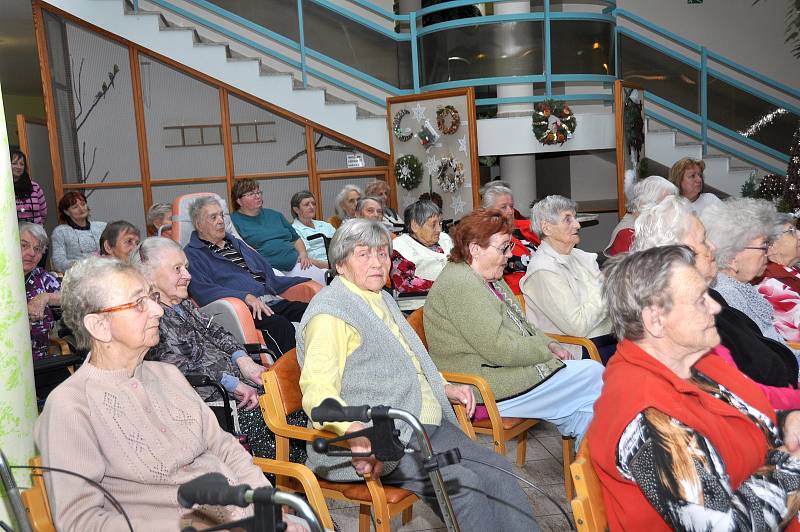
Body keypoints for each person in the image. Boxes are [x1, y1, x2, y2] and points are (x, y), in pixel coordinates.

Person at [297, 218, 540, 532]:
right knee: (461, 485)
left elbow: (412, 359)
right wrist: (355, 429)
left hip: (422, 421)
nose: (376, 263)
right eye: (363, 254)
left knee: (497, 469)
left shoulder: (380, 298)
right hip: (379, 437)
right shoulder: (330, 315)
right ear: (340, 264)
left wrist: (444, 387)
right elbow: (317, 391)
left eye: (382, 254)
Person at [34, 256, 305, 532]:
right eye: (138, 303)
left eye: (152, 297)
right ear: (99, 326)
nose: (157, 310)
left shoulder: (167, 375)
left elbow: (227, 449)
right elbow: (82, 523)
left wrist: (268, 508)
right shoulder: (71, 407)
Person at [589, 245, 800, 530]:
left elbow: (745, 414)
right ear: (656, 320)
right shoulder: (648, 420)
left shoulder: (694, 360)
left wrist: (788, 419)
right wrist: (792, 463)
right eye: (701, 300)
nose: (715, 307)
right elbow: (723, 527)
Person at [425, 209, 604, 446]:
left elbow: (523, 324)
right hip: (482, 387)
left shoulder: (486, 276)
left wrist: (549, 342)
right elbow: (500, 348)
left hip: (498, 371)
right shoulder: (461, 285)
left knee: (586, 411)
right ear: (475, 249)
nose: (510, 255)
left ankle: (590, 475)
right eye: (503, 248)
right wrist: (545, 351)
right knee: (594, 374)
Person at [135, 237, 308, 463]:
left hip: (237, 389)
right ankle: (292, 478)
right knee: (286, 417)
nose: (188, 276)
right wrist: (233, 384)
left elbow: (218, 332)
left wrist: (243, 360)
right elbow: (176, 371)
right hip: (212, 404)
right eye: (177, 269)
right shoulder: (149, 319)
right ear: (148, 275)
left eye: (186, 268)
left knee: (298, 396)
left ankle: (307, 475)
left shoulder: (181, 304)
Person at [634, 196, 800, 409]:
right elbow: (740, 395)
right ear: (679, 256)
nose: (713, 247)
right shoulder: (686, 325)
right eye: (703, 240)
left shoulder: (712, 300)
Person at [183, 196, 311, 355]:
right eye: (213, 217)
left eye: (221, 215)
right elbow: (205, 292)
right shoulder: (192, 255)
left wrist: (303, 281)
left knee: (312, 311)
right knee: (280, 325)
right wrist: (245, 297)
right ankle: (291, 376)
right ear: (199, 224)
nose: (221, 221)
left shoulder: (235, 242)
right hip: (241, 310)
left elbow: (267, 272)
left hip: (268, 300)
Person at [521, 196, 615, 362]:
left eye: (575, 217)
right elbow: (577, 326)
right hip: (580, 348)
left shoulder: (579, 256)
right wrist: (606, 288)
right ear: (547, 228)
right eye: (567, 219)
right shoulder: (543, 271)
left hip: (608, 335)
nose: (577, 225)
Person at [700, 198, 795, 347]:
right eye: (763, 246)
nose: (767, 252)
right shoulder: (728, 297)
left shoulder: (741, 289)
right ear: (732, 258)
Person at [230, 179, 327, 286]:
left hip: (295, 263)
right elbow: (243, 248)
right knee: (291, 291)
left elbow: (295, 239)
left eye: (258, 192)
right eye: (251, 194)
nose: (257, 196)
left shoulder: (275, 215)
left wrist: (303, 254)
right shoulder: (233, 222)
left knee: (322, 282)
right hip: (267, 270)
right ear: (239, 201)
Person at [480, 184, 540, 294]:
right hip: (515, 297)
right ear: (488, 211)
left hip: (539, 290)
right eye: (504, 207)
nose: (510, 211)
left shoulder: (524, 228)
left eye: (511, 206)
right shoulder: (485, 239)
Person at [390, 200, 452, 297]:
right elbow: (403, 284)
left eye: (440, 223)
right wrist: (447, 286)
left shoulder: (445, 239)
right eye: (433, 225)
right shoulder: (400, 247)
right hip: (423, 304)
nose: (439, 229)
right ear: (415, 226)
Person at [604, 175, 677, 257]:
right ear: (648, 204)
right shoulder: (628, 234)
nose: (672, 208)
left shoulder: (651, 223)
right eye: (666, 203)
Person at [755, 213, 800, 342]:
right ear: (770, 247)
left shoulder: (791, 270)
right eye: (791, 231)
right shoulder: (770, 286)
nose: (799, 235)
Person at [20, 222, 61, 361]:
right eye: (24, 245)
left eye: (37, 249)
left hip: (41, 361)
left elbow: (74, 297)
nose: (31, 253)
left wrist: (47, 297)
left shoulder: (42, 277)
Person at [50, 192, 107, 272]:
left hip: (104, 272)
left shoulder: (102, 226)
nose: (81, 209)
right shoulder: (60, 232)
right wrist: (81, 266)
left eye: (83, 204)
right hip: (77, 276)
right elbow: (59, 262)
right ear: (66, 212)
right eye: (75, 207)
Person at [290, 190, 336, 267]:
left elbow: (341, 246)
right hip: (317, 269)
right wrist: (331, 266)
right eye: (306, 204)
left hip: (337, 263)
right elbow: (307, 258)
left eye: (313, 204)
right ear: (296, 209)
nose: (311, 207)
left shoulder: (325, 225)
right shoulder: (294, 230)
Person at [11, 149, 48, 225]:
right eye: (14, 163)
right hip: (13, 235)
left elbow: (43, 213)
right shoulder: (3, 189)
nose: (19, 167)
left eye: (22, 164)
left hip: (36, 233)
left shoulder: (35, 186)